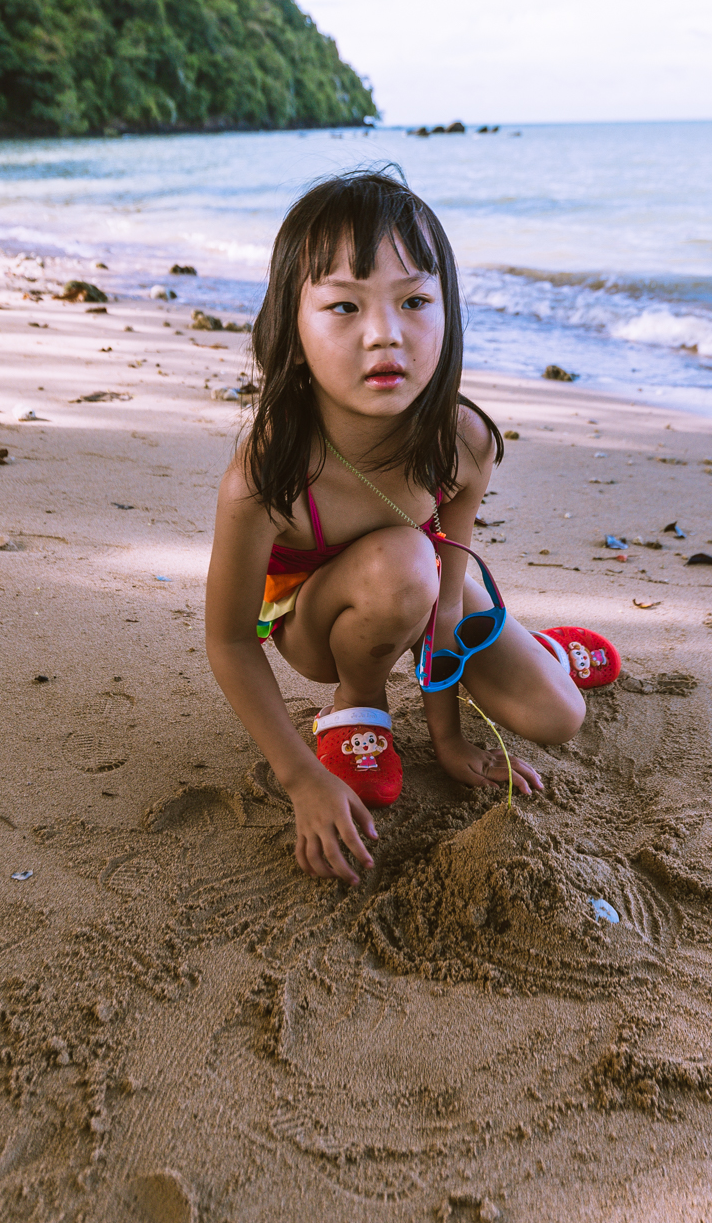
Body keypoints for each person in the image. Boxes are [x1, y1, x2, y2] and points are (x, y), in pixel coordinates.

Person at [205, 169, 620, 886]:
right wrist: (301, 779)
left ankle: (543, 648)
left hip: (430, 591)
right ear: (291, 327)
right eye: (343, 306)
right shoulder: (266, 474)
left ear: (448, 314)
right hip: (320, 622)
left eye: (415, 300)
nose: (385, 334)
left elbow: (447, 601)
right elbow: (231, 639)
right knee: (404, 564)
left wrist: (449, 740)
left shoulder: (463, 445)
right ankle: (358, 704)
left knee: (558, 717)